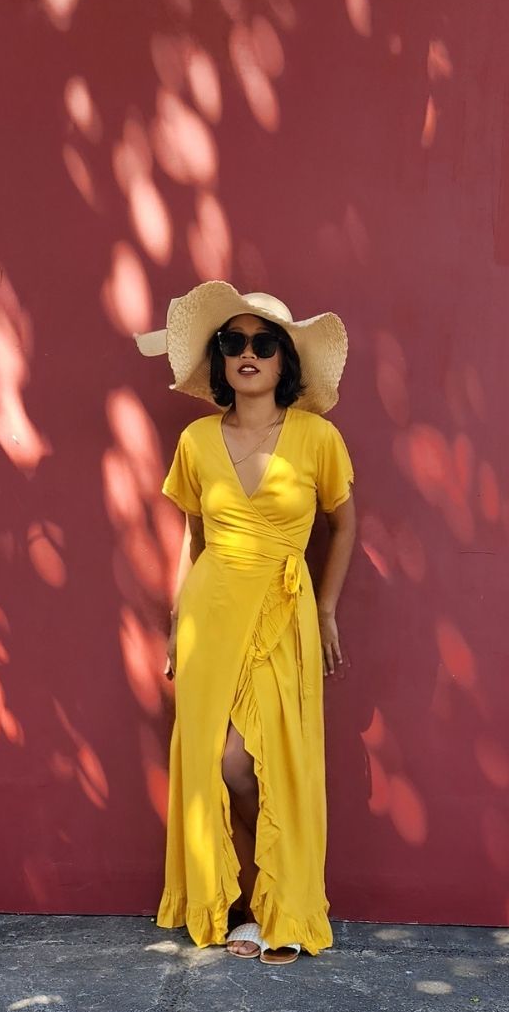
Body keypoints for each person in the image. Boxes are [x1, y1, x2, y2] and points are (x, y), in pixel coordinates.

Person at [135, 281, 355, 964]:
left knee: (261, 759)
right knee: (212, 760)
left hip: (283, 611)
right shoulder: (196, 440)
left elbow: (344, 524)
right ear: (220, 360)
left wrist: (325, 608)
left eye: (263, 343)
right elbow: (192, 538)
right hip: (210, 613)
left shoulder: (317, 437)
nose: (247, 353)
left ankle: (280, 902)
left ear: (284, 360)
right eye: (233, 343)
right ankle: (238, 904)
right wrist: (176, 621)